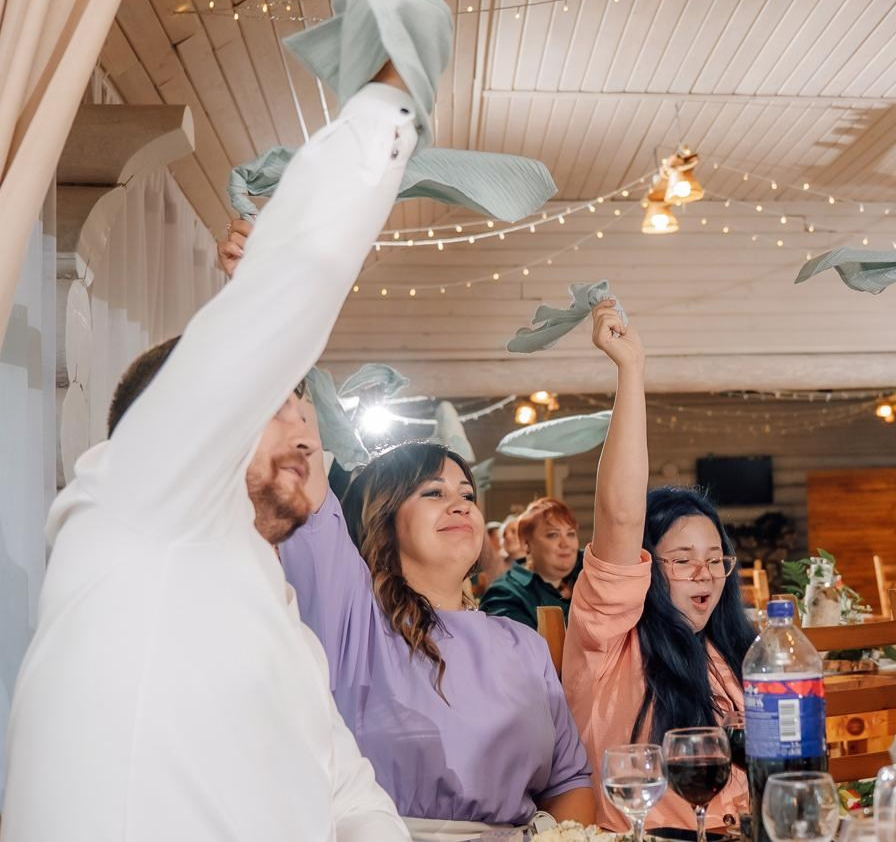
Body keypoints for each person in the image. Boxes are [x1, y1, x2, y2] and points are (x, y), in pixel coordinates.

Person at [0, 52, 421, 839]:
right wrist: (388, 95)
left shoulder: (284, 622)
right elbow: (273, 316)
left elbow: (348, 797)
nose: (304, 427)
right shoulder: (133, 500)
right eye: (275, 402)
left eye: (303, 407)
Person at [280, 441, 595, 839]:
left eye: (467, 495)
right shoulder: (350, 616)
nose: (461, 506)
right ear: (383, 515)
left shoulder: (524, 644)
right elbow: (300, 465)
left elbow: (569, 782)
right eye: (434, 492)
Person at [562, 301, 756, 832]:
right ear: (646, 567)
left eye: (715, 559)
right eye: (684, 560)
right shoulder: (609, 640)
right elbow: (621, 515)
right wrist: (631, 371)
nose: (705, 573)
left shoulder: (729, 649)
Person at [481, 497, 583, 628]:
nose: (566, 544)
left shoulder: (586, 569)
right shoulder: (506, 594)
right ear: (526, 544)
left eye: (571, 534)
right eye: (553, 535)